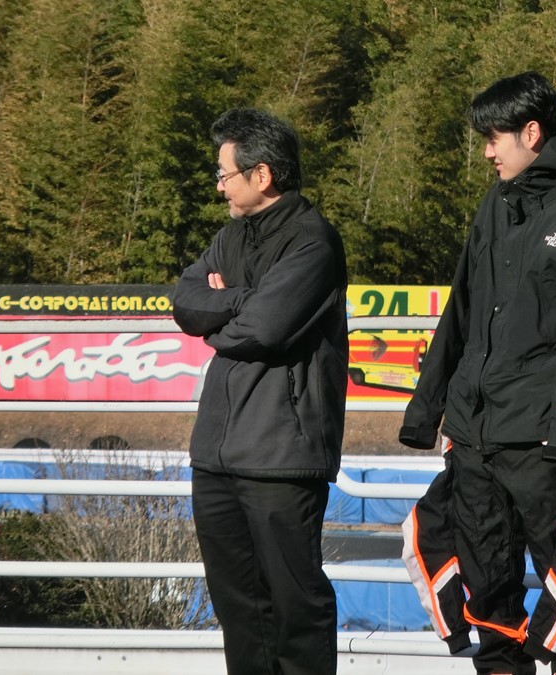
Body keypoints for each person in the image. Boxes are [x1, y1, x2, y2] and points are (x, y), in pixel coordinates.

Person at [398, 71, 556, 675]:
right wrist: (429, 412)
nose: (487, 152)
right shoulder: (496, 203)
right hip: (475, 436)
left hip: (543, 443)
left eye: (493, 138)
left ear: (531, 133)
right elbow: (461, 308)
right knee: (489, 594)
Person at [172, 108, 348, 675]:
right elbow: (185, 303)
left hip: (281, 456)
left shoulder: (313, 242)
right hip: (216, 455)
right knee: (239, 612)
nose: (218, 185)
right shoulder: (229, 236)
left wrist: (225, 312)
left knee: (296, 608)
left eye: (224, 174)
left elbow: (265, 329)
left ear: (262, 174)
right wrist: (242, 298)